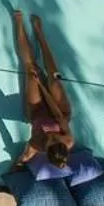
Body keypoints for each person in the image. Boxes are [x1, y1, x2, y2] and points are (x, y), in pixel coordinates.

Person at [12, 10, 74, 170]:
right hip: (59, 111)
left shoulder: (37, 144)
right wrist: (42, 85)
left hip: (37, 111)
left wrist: (17, 167)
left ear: (45, 150)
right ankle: (40, 34)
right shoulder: (67, 139)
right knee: (53, 78)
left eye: (50, 141)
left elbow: (23, 159)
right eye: (55, 139)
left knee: (31, 70)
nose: (51, 137)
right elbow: (57, 113)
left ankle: (19, 24)